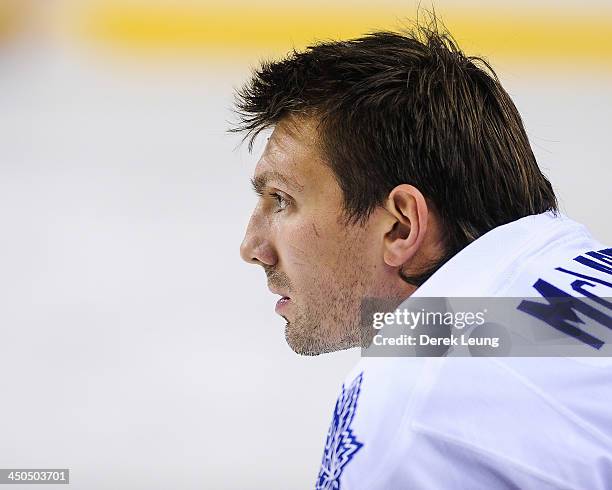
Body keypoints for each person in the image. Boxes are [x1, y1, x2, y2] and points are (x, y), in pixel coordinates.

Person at [233, 19, 612, 489]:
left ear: (401, 225)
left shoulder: (410, 418)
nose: (253, 248)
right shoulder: (566, 271)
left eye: (282, 200)